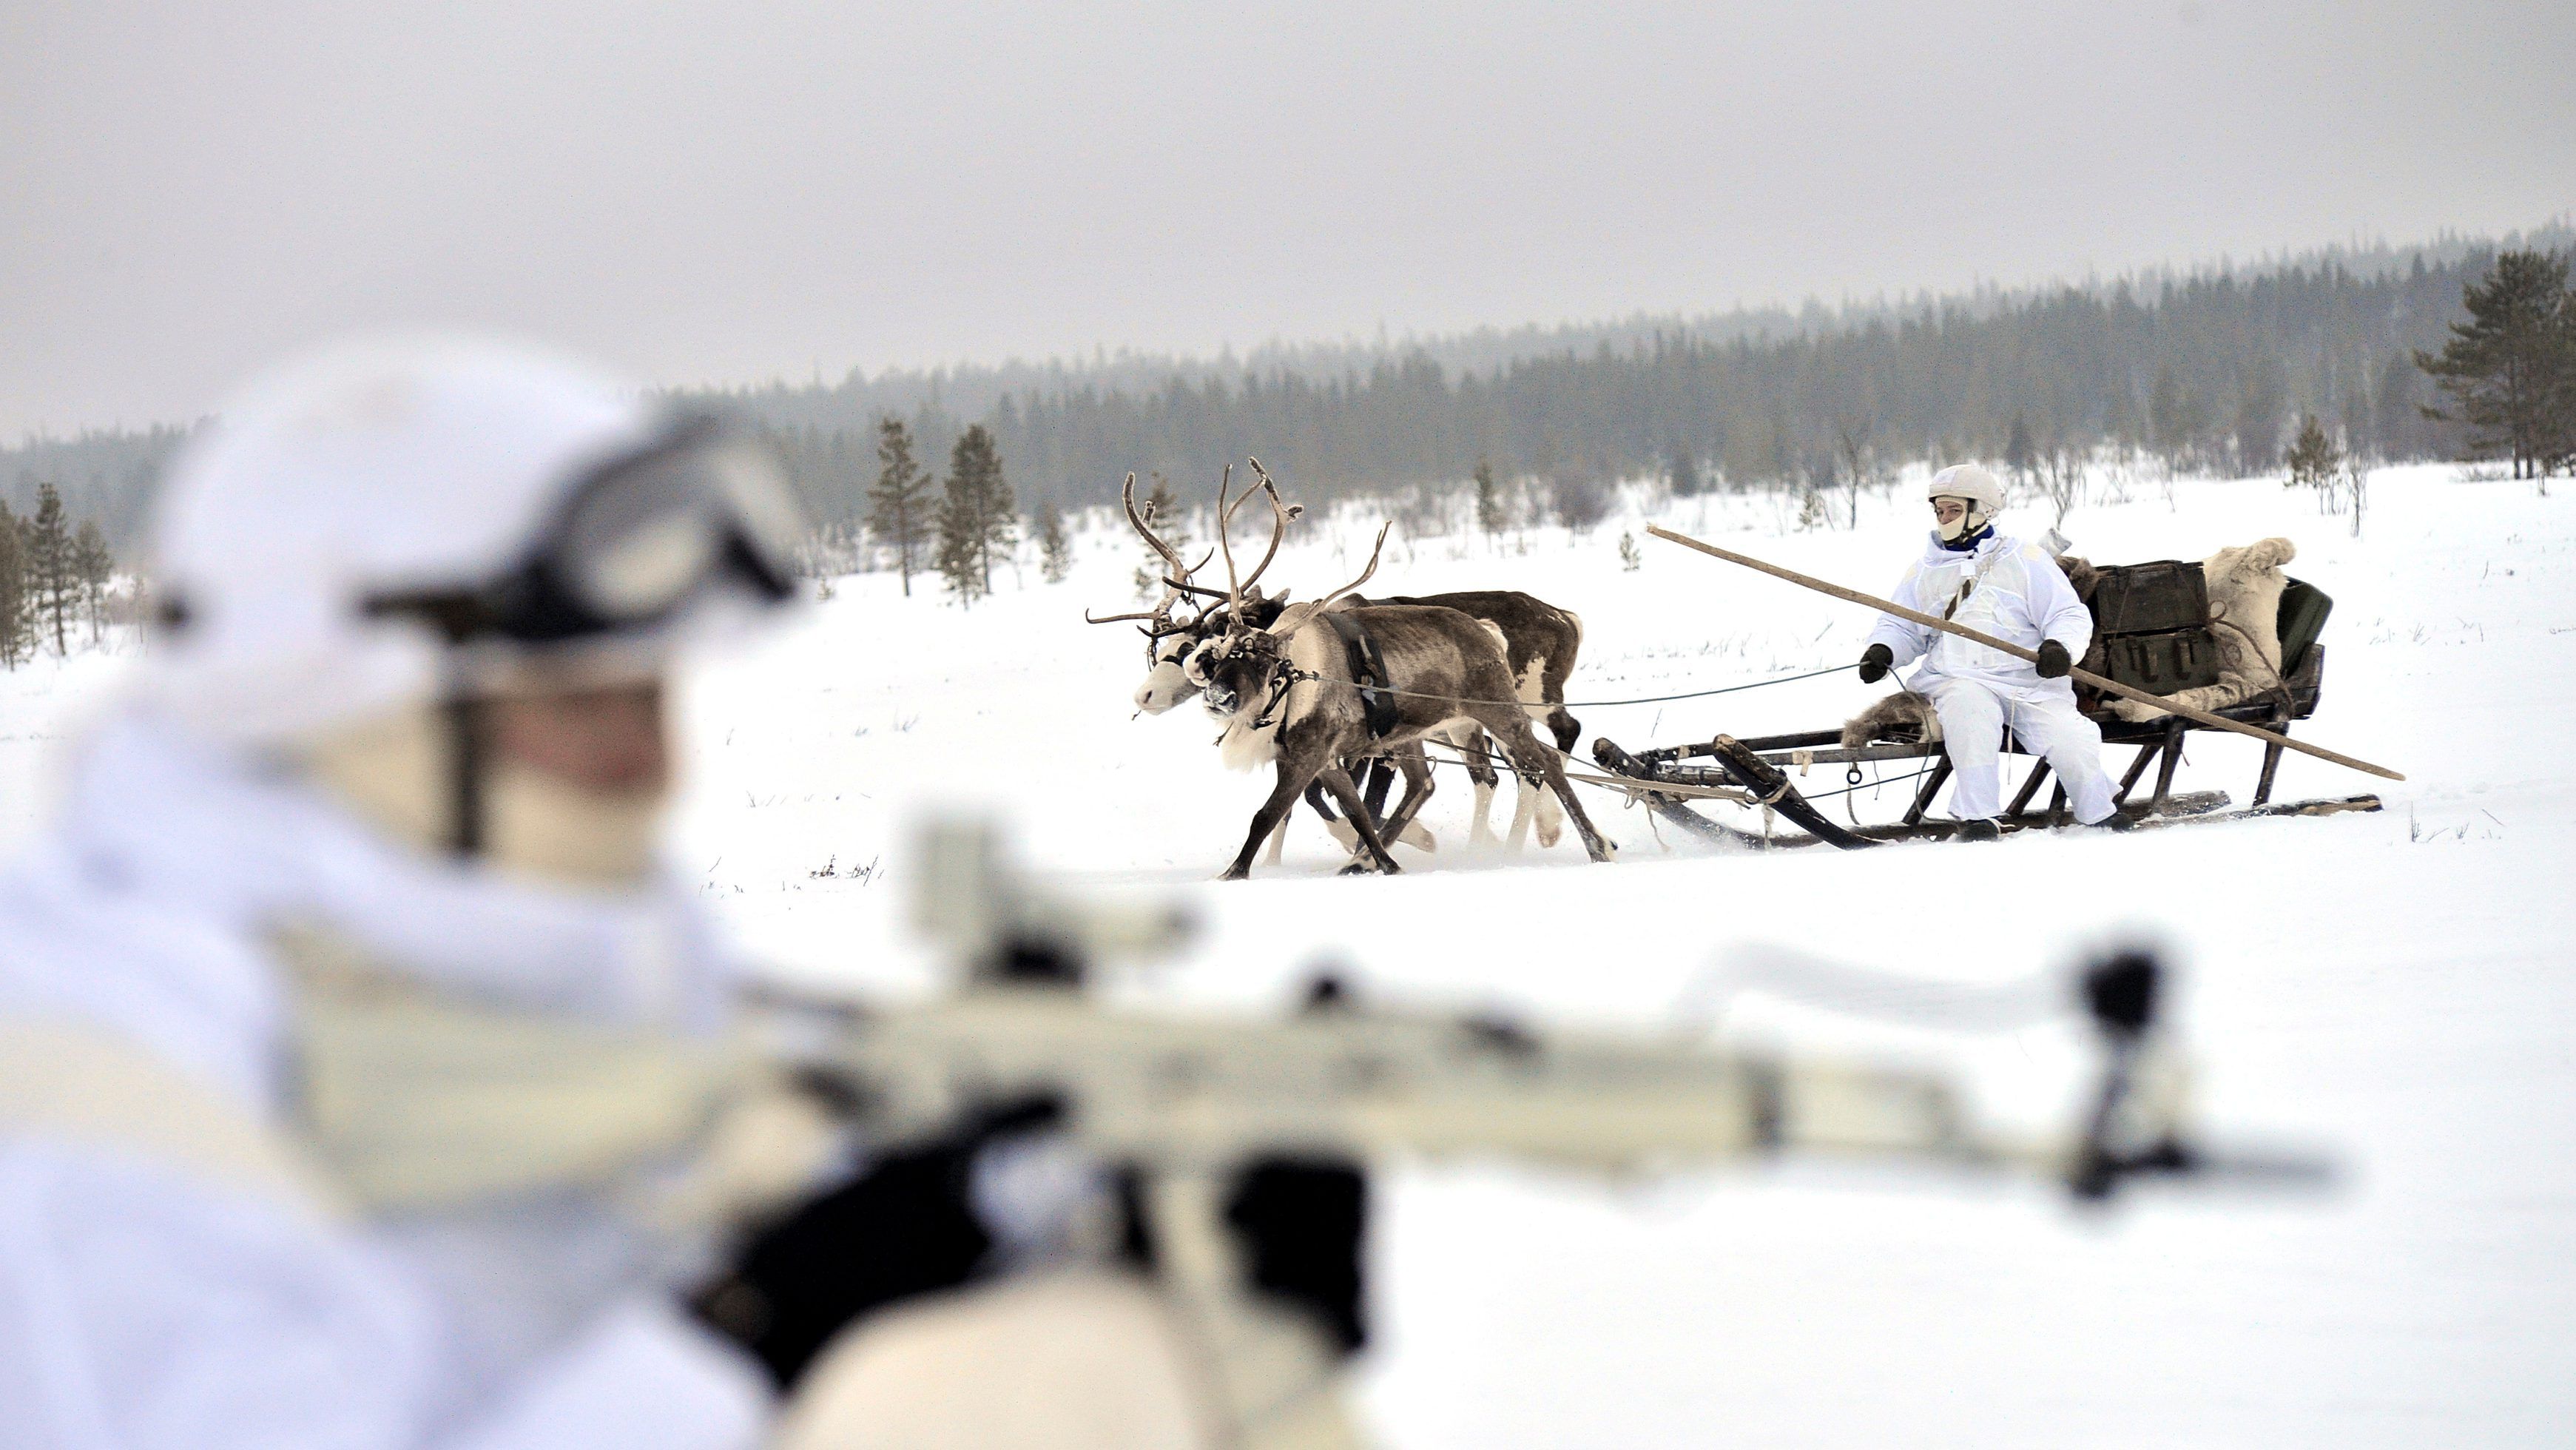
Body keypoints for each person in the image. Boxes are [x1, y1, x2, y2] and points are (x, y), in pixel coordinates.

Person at [1855, 463, 2127, 840]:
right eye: (1939, 510)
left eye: (1953, 510)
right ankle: (1978, 816)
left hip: (2028, 682)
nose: (1944, 518)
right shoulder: (1923, 571)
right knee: (1969, 715)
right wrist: (1883, 651)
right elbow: (1901, 626)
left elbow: (2066, 614)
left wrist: (2059, 649)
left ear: (1981, 510)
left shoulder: (2026, 560)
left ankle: (2099, 812)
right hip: (1956, 679)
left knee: (2071, 738)